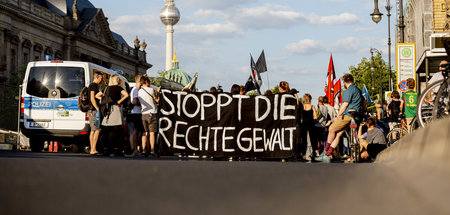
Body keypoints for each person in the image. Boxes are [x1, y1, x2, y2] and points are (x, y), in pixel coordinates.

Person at [317, 74, 364, 162]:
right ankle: (328, 153)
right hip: (357, 116)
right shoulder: (358, 90)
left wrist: (338, 115)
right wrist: (363, 113)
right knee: (338, 134)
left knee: (331, 129)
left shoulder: (349, 90)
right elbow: (363, 103)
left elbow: (344, 104)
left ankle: (326, 151)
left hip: (348, 115)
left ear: (345, 82)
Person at [96, 75, 129, 156]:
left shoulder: (106, 88)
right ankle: (117, 149)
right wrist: (119, 101)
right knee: (116, 130)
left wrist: (104, 100)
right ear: (117, 80)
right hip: (115, 109)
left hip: (107, 110)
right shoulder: (118, 88)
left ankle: (106, 149)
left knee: (107, 130)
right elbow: (126, 95)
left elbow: (96, 95)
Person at [138, 76, 159, 157]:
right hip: (152, 112)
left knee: (144, 132)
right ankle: (152, 150)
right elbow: (157, 100)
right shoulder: (151, 90)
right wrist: (158, 91)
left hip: (143, 113)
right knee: (152, 133)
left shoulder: (139, 91)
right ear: (146, 82)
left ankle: (143, 150)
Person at [87, 72, 103, 155]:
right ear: (97, 77)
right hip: (93, 110)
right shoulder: (93, 85)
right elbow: (92, 98)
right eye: (101, 78)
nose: (102, 80)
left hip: (92, 110)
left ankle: (92, 149)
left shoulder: (93, 85)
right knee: (97, 129)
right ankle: (93, 149)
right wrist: (97, 108)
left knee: (93, 130)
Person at [128, 75, 143, 156]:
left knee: (137, 132)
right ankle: (134, 149)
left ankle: (136, 149)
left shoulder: (137, 89)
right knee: (136, 131)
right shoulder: (135, 90)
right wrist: (143, 103)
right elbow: (134, 101)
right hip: (136, 113)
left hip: (137, 112)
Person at [301, 93, 318, 161]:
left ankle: (303, 154)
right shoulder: (312, 106)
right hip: (311, 123)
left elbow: (301, 117)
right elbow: (315, 116)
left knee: (304, 139)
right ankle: (314, 154)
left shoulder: (302, 107)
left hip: (304, 123)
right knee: (313, 139)